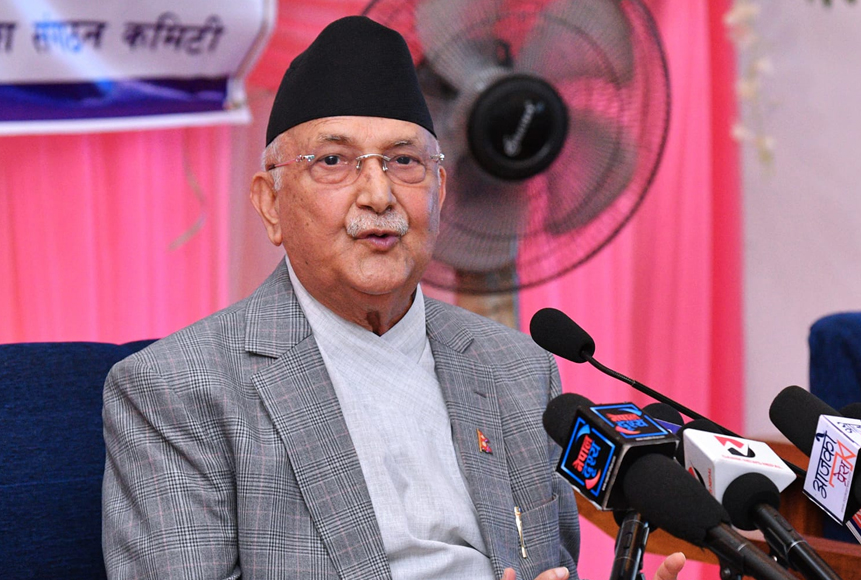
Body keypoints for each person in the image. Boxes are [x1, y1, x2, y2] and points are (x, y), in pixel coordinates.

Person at [101, 16, 685, 580]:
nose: (379, 195)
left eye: (405, 162)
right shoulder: (176, 389)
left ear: (440, 191)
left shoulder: (519, 371)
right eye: (334, 162)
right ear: (270, 203)